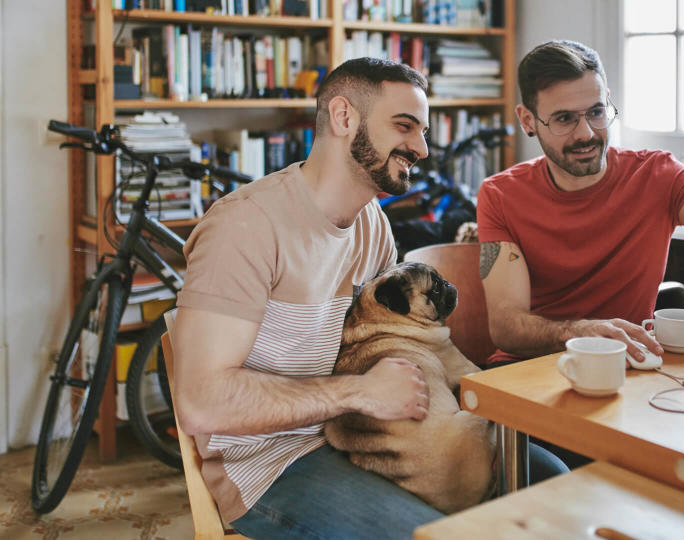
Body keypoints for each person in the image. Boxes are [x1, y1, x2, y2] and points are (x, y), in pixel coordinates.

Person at [172, 58, 566, 540]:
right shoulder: (244, 227)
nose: (421, 148)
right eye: (405, 126)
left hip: (356, 435)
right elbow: (201, 402)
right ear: (343, 117)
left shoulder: (371, 224)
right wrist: (360, 392)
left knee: (553, 481)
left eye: (422, 131)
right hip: (271, 467)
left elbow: (385, 341)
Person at [477, 39, 684, 369]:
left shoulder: (658, 175)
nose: (586, 134)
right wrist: (579, 332)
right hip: (527, 372)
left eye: (596, 112)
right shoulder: (500, 195)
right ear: (527, 120)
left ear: (607, 102)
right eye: (564, 119)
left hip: (627, 370)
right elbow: (507, 326)